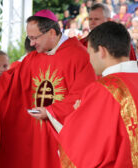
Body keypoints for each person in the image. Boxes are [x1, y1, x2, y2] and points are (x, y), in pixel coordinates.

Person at [0, 10, 96, 168]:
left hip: (60, 139)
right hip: (35, 137)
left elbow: (84, 96)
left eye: (34, 38)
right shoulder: (33, 58)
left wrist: (50, 112)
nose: (30, 44)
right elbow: (8, 83)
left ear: (51, 32)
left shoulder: (79, 56)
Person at [57, 21, 138, 167]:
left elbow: (83, 149)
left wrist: (78, 115)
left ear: (101, 51)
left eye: (89, 53)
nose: (89, 60)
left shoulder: (103, 90)